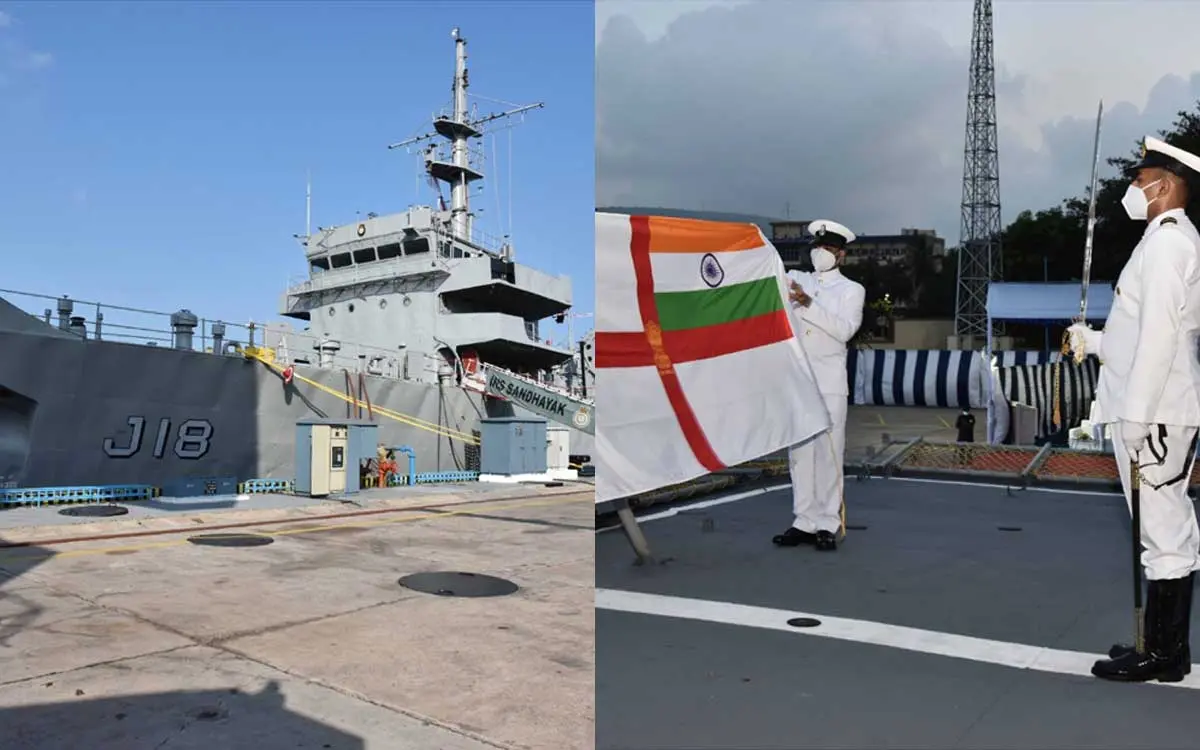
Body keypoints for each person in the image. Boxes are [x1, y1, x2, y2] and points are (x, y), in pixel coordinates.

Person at [1067, 135, 1200, 682]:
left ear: (1164, 186)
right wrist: (1095, 341)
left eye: (1140, 181)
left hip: (1156, 412)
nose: (1132, 188)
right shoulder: (1161, 240)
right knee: (1159, 530)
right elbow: (1139, 334)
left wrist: (1139, 417)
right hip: (1153, 406)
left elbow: (1161, 338)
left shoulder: (1168, 243)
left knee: (1163, 532)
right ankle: (1162, 644)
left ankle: (1164, 654)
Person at [773, 219, 865, 552]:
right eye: (817, 247)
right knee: (800, 454)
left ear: (841, 255)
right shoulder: (796, 278)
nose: (820, 253)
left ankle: (827, 522)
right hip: (799, 379)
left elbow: (844, 330)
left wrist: (809, 304)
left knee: (829, 453)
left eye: (828, 248)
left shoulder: (851, 290)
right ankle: (804, 521)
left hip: (829, 382)